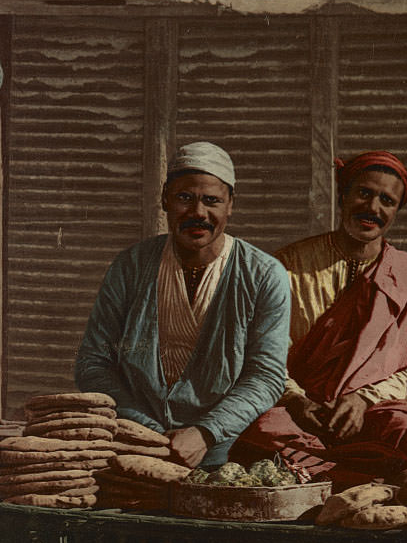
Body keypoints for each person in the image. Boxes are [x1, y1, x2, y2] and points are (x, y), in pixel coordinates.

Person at [229, 151, 407, 487]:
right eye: (364, 193)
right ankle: (332, 487)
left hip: (371, 410)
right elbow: (263, 350)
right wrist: (296, 400)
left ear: (396, 211)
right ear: (342, 196)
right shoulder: (286, 265)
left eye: (387, 200)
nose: (373, 208)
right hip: (297, 409)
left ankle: (400, 515)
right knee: (260, 429)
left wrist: (363, 400)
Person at [74, 141, 291, 470]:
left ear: (231, 204)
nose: (198, 214)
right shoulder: (131, 266)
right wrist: (147, 431)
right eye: (184, 198)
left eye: (212, 201)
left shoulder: (264, 274)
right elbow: (93, 363)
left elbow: (266, 376)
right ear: (164, 199)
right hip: (134, 444)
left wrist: (205, 432)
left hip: (224, 451)